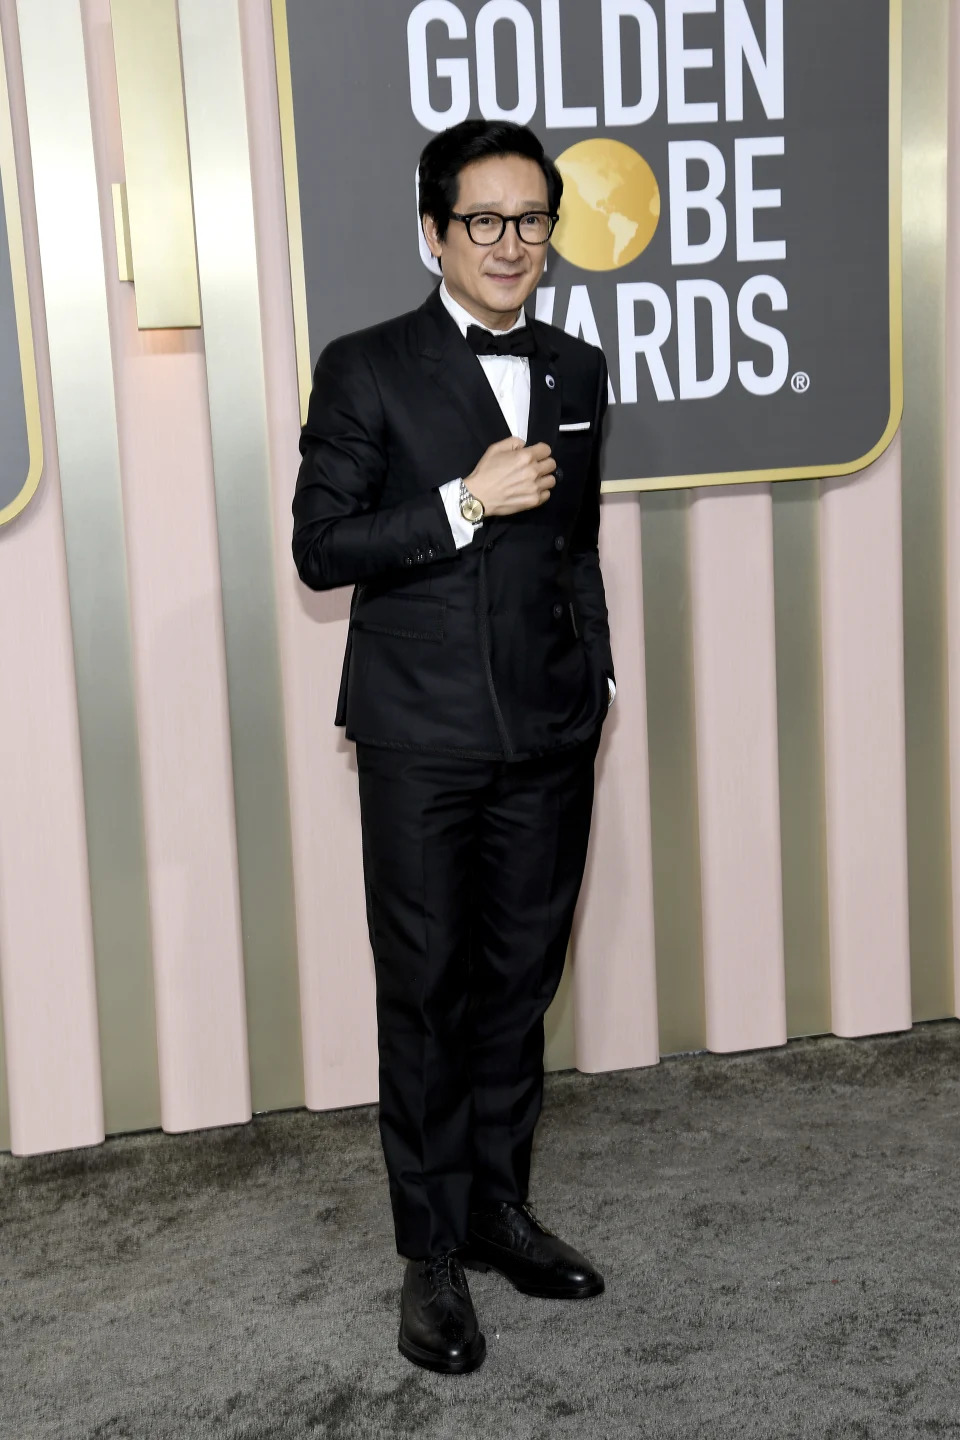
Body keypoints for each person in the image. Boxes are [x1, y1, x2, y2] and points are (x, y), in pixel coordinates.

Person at [292, 118, 615, 1376]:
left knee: (520, 988)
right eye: (484, 221)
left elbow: (577, 547)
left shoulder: (581, 368)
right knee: (427, 998)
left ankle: (496, 1209)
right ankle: (429, 1257)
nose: (511, 244)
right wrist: (466, 500)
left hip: (549, 731)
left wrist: (592, 675)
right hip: (420, 737)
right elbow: (324, 547)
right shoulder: (367, 366)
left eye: (532, 220)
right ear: (434, 232)